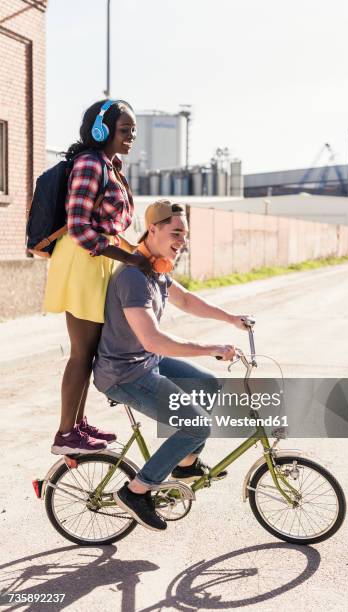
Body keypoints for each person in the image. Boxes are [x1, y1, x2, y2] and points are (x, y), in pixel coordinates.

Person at [93, 199, 252, 532]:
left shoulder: (156, 268)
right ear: (153, 229)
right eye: (176, 232)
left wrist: (231, 319)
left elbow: (188, 300)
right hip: (125, 374)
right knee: (197, 426)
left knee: (209, 386)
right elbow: (154, 340)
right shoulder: (134, 277)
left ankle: (184, 464)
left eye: (186, 234)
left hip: (146, 362)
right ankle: (136, 491)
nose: (183, 240)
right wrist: (212, 348)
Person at [45, 99, 142, 455]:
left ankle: (78, 426)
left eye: (133, 131)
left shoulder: (110, 166)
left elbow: (111, 228)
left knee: (90, 352)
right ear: (101, 130)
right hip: (84, 261)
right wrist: (132, 260)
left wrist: (139, 254)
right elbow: (81, 229)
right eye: (124, 130)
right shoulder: (89, 164)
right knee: (81, 352)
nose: (131, 137)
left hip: (99, 261)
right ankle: (65, 434)